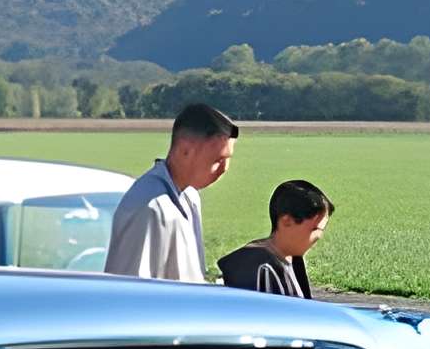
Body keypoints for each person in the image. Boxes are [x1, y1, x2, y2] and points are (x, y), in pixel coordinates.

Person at [105, 104, 236, 282]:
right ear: (185, 150)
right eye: (218, 159)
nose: (224, 169)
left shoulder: (189, 196)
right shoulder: (149, 208)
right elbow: (131, 289)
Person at [217, 179, 330, 297]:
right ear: (287, 221)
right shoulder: (259, 266)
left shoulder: (293, 259)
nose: (319, 236)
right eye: (315, 229)